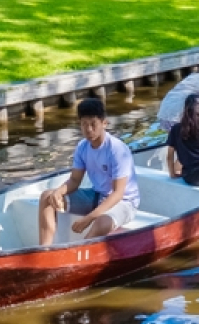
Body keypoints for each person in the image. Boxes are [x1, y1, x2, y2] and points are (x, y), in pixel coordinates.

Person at [38, 98, 141, 246]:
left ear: (104, 123)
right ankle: (44, 250)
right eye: (84, 124)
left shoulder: (117, 150)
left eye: (93, 124)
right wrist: (58, 192)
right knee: (47, 197)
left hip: (124, 202)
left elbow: (118, 194)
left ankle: (80, 253)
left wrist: (88, 219)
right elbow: (75, 180)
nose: (89, 129)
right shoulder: (82, 147)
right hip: (97, 195)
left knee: (102, 222)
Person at [155, 60, 199, 132]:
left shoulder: (194, 76)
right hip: (179, 114)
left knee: (177, 138)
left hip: (164, 114)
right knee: (193, 136)